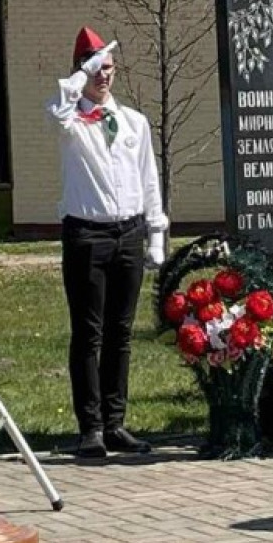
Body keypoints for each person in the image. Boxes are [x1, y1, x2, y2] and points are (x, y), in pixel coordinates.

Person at [49, 26, 169, 459]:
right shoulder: (71, 121)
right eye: (97, 69)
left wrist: (156, 233)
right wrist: (81, 73)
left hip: (129, 232)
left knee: (121, 333)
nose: (104, 76)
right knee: (89, 333)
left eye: (109, 68)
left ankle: (115, 422)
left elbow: (148, 178)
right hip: (87, 234)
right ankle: (91, 427)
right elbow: (58, 110)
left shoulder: (133, 121)